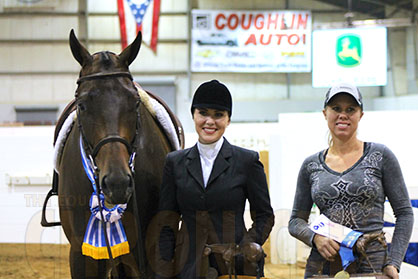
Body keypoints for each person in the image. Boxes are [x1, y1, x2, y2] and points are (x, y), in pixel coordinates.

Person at [288, 83, 414, 279]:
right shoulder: (311, 165)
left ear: (360, 115)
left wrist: (394, 262)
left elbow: (405, 214)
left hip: (373, 265)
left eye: (350, 109)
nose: (343, 115)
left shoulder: (381, 156)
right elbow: (296, 221)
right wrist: (315, 238)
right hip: (324, 267)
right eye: (336, 109)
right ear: (325, 113)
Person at [155, 80, 274, 279]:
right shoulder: (174, 163)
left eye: (218, 115)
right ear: (193, 114)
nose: (210, 121)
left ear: (228, 120)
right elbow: (167, 222)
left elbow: (264, 216)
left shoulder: (247, 161)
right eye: (203, 113)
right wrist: (163, 271)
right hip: (188, 267)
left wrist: (245, 246)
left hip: (234, 267)